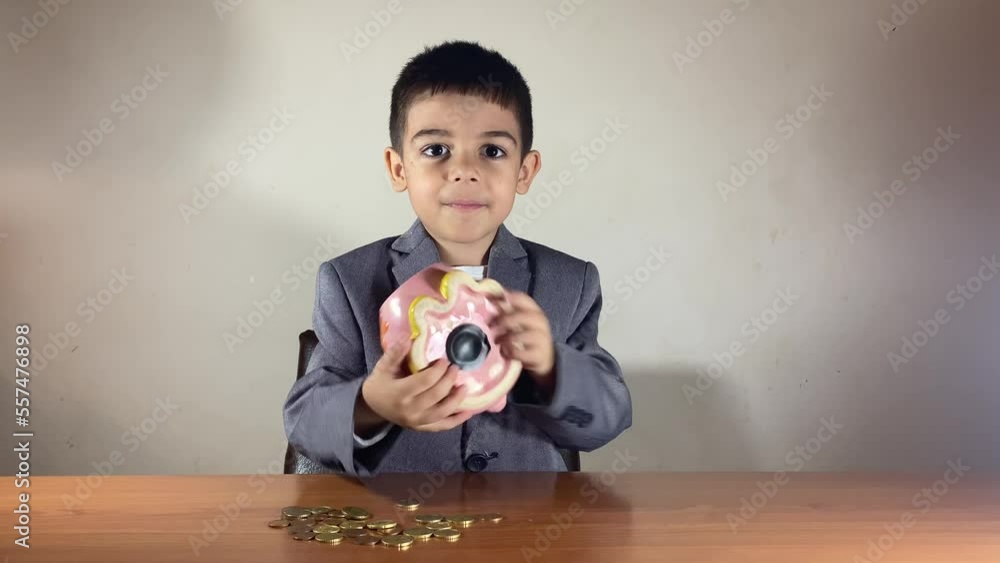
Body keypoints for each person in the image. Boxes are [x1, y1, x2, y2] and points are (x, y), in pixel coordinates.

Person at [283, 40, 632, 476]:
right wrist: (371, 405)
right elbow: (303, 423)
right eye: (436, 150)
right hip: (397, 529)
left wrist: (551, 369)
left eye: (492, 151)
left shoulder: (569, 282)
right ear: (398, 168)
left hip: (526, 532)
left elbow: (607, 421)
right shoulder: (349, 280)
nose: (464, 170)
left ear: (524, 171)